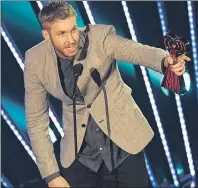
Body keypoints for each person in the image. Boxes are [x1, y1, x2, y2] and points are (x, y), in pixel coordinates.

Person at [24, 1, 190, 187]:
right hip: (81, 155)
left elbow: (135, 51)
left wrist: (165, 60)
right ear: (46, 35)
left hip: (124, 146)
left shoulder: (99, 37)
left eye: (73, 29)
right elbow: (36, 121)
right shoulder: (35, 60)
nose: (71, 39)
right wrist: (51, 175)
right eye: (61, 33)